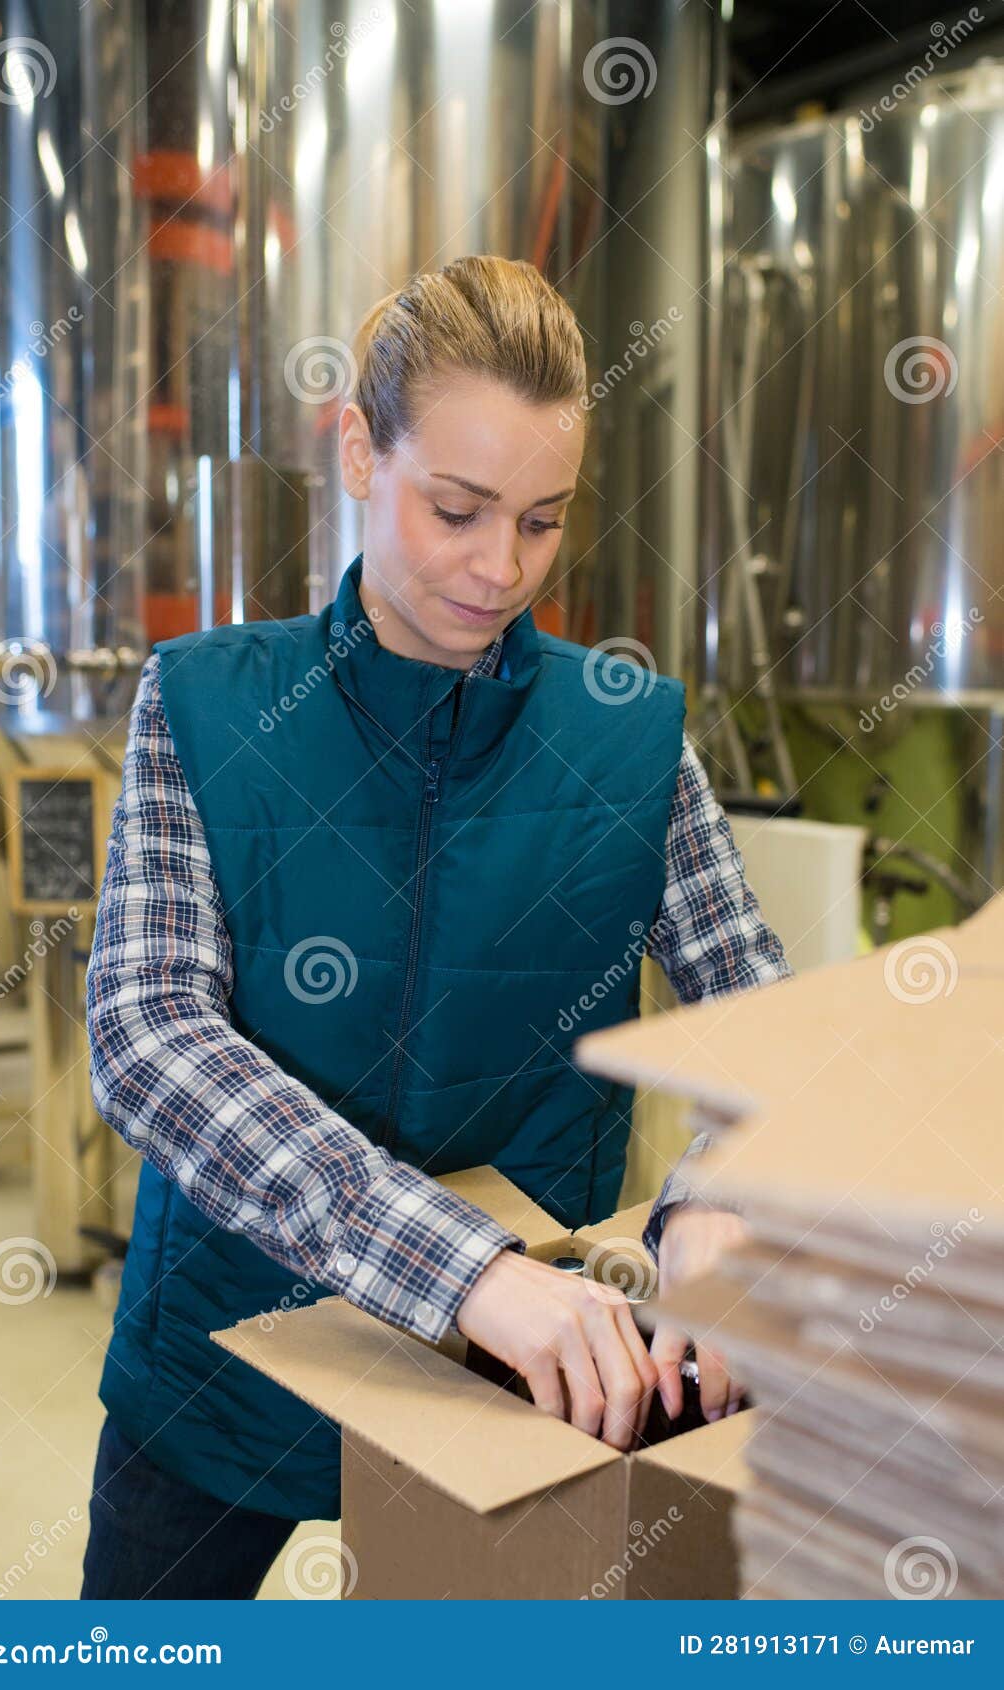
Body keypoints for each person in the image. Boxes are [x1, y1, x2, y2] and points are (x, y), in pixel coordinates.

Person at [80, 254, 791, 1600]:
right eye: (455, 508)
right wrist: (462, 1267)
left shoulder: (627, 736)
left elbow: (758, 1019)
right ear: (358, 446)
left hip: (521, 1387)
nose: (496, 569)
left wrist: (723, 1191)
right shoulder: (209, 705)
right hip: (222, 1363)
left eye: (540, 519)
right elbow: (146, 1033)